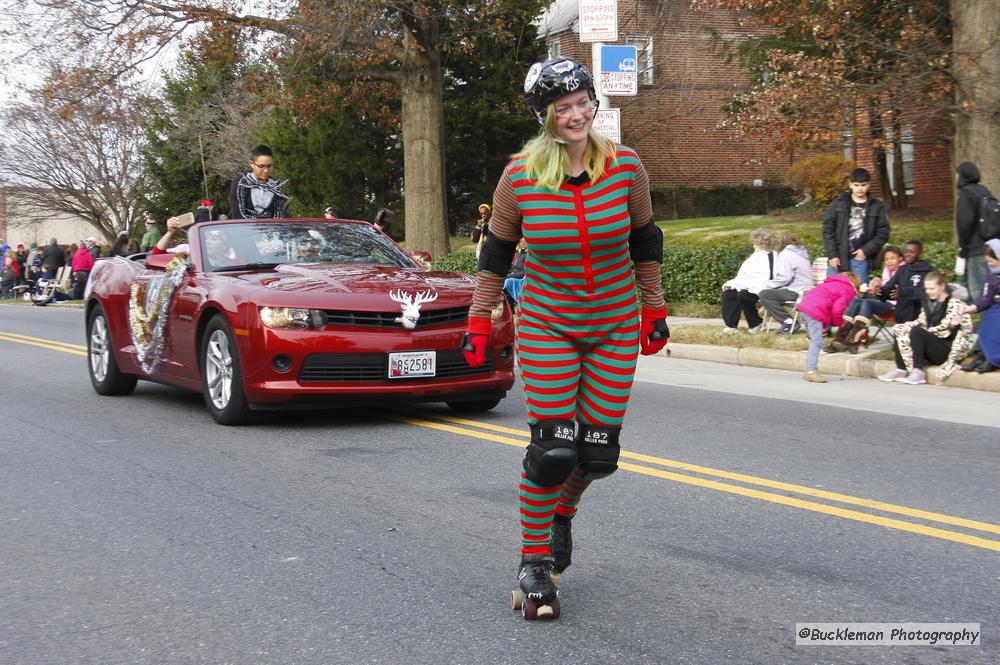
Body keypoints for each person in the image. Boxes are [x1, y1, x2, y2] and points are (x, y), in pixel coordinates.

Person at [461, 57, 668, 618]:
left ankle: (561, 518)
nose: (576, 115)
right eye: (563, 108)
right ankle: (533, 561)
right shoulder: (519, 176)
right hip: (549, 323)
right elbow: (496, 255)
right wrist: (481, 321)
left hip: (616, 325)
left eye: (583, 103)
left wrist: (654, 309)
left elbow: (646, 239)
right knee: (553, 450)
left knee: (597, 456)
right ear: (544, 117)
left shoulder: (626, 166)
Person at [878, 271, 974, 385]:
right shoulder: (929, 303)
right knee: (901, 328)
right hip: (931, 346)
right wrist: (904, 328)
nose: (928, 292)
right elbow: (921, 321)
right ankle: (900, 369)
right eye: (926, 289)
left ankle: (919, 372)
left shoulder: (956, 304)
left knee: (916, 332)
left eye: (932, 289)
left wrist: (954, 325)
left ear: (942, 286)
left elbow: (958, 332)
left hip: (945, 350)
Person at [830, 245, 904, 352]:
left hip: (895, 307)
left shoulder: (903, 270)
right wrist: (876, 285)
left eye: (893, 258)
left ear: (900, 258)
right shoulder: (887, 271)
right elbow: (884, 289)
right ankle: (840, 338)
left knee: (867, 303)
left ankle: (853, 340)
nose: (889, 261)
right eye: (886, 259)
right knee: (857, 300)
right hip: (885, 302)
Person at [822, 167, 890, 282]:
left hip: (860, 258)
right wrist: (832, 254)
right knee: (833, 292)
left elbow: (883, 232)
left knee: (860, 293)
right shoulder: (839, 203)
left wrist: (865, 251)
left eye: (863, 185)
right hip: (838, 257)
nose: (860, 189)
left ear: (869, 185)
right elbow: (828, 229)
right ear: (850, 185)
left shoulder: (877, 205)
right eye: (856, 185)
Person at [796, 271, 860, 382]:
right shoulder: (848, 289)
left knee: (814, 339)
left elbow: (825, 303)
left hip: (804, 308)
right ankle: (811, 371)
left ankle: (811, 364)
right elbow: (837, 309)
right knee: (817, 341)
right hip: (814, 311)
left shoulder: (830, 283)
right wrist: (839, 323)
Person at [720, 228, 777, 333]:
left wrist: (748, 286)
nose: (753, 245)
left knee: (744, 296)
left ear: (761, 244)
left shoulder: (772, 256)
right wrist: (733, 284)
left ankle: (756, 323)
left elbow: (768, 276)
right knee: (729, 293)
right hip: (748, 285)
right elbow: (743, 275)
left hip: (762, 286)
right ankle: (731, 325)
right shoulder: (753, 257)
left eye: (755, 243)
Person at [757, 232, 813, 334]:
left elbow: (785, 278)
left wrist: (766, 285)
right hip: (807, 290)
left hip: (797, 291)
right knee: (770, 294)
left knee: (765, 294)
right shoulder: (803, 253)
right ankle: (788, 321)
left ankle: (789, 322)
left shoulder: (786, 254)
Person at [958, 239, 1000, 373]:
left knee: (995, 319)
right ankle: (980, 356)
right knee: (988, 315)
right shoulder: (992, 271)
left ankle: (992, 359)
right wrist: (973, 307)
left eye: (991, 261)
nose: (990, 264)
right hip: (996, 305)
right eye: (988, 261)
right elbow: (987, 295)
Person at [955, 161, 992, 302]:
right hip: (991, 249)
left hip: (975, 249)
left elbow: (965, 224)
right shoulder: (984, 191)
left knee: (978, 293)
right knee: (989, 291)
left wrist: (963, 249)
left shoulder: (966, 194)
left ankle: (986, 323)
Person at [871, 240, 933, 324]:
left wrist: (903, 292)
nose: (907, 254)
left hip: (918, 316)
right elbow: (889, 288)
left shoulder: (927, 271)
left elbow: (926, 293)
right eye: (906, 252)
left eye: (911, 252)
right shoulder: (902, 269)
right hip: (901, 315)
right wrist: (880, 291)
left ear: (920, 253)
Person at [228, 145, 290, 219]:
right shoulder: (240, 183)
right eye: (261, 166)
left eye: (269, 166)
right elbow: (238, 214)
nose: (266, 170)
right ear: (251, 164)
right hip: (245, 228)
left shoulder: (276, 186)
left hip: (270, 229)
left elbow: (278, 215)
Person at [503, 238, 528, 305]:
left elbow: (523, 272)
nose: (523, 243)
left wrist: (508, 276)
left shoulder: (527, 255)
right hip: (513, 274)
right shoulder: (518, 254)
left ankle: (510, 306)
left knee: (507, 281)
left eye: (524, 241)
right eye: (521, 242)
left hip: (521, 277)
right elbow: (512, 268)